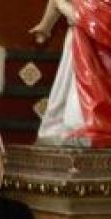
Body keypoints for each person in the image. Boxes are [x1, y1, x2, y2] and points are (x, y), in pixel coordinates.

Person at [30, 0, 111, 147]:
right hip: (78, 42)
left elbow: (93, 18)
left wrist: (62, 6)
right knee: (66, 87)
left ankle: (80, 125)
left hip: (100, 50)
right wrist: (45, 26)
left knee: (87, 89)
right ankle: (60, 128)